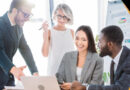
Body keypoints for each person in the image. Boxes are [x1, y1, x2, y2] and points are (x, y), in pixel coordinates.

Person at [71, 25, 130, 90]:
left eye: (100, 42)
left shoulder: (128, 61)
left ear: (110, 44)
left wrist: (86, 88)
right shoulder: (115, 60)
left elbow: (120, 88)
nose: (98, 45)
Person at [0, 0, 38, 89]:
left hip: (8, 77)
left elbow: (25, 49)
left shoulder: (18, 28)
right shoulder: (0, 24)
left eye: (29, 15)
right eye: (25, 15)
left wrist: (34, 72)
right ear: (14, 11)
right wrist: (14, 69)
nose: (27, 19)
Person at [56, 25, 103, 90]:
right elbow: (59, 77)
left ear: (89, 41)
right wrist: (62, 84)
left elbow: (95, 84)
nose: (79, 43)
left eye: (83, 40)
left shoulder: (97, 59)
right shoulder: (67, 56)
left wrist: (74, 86)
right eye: (77, 38)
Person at [42, 3, 74, 75]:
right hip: (54, 72)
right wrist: (45, 33)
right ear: (54, 15)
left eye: (65, 17)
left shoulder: (71, 32)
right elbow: (45, 54)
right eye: (59, 16)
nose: (62, 19)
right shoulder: (49, 32)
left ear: (68, 18)